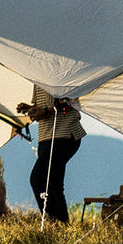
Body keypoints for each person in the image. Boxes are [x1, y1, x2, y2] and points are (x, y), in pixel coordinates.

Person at [19, 87, 84, 223]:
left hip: (64, 133)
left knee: (39, 179)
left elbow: (73, 99)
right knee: (53, 184)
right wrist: (32, 109)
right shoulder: (38, 76)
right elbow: (45, 105)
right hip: (47, 136)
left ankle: (53, 222)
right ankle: (61, 225)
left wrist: (46, 110)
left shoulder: (60, 71)